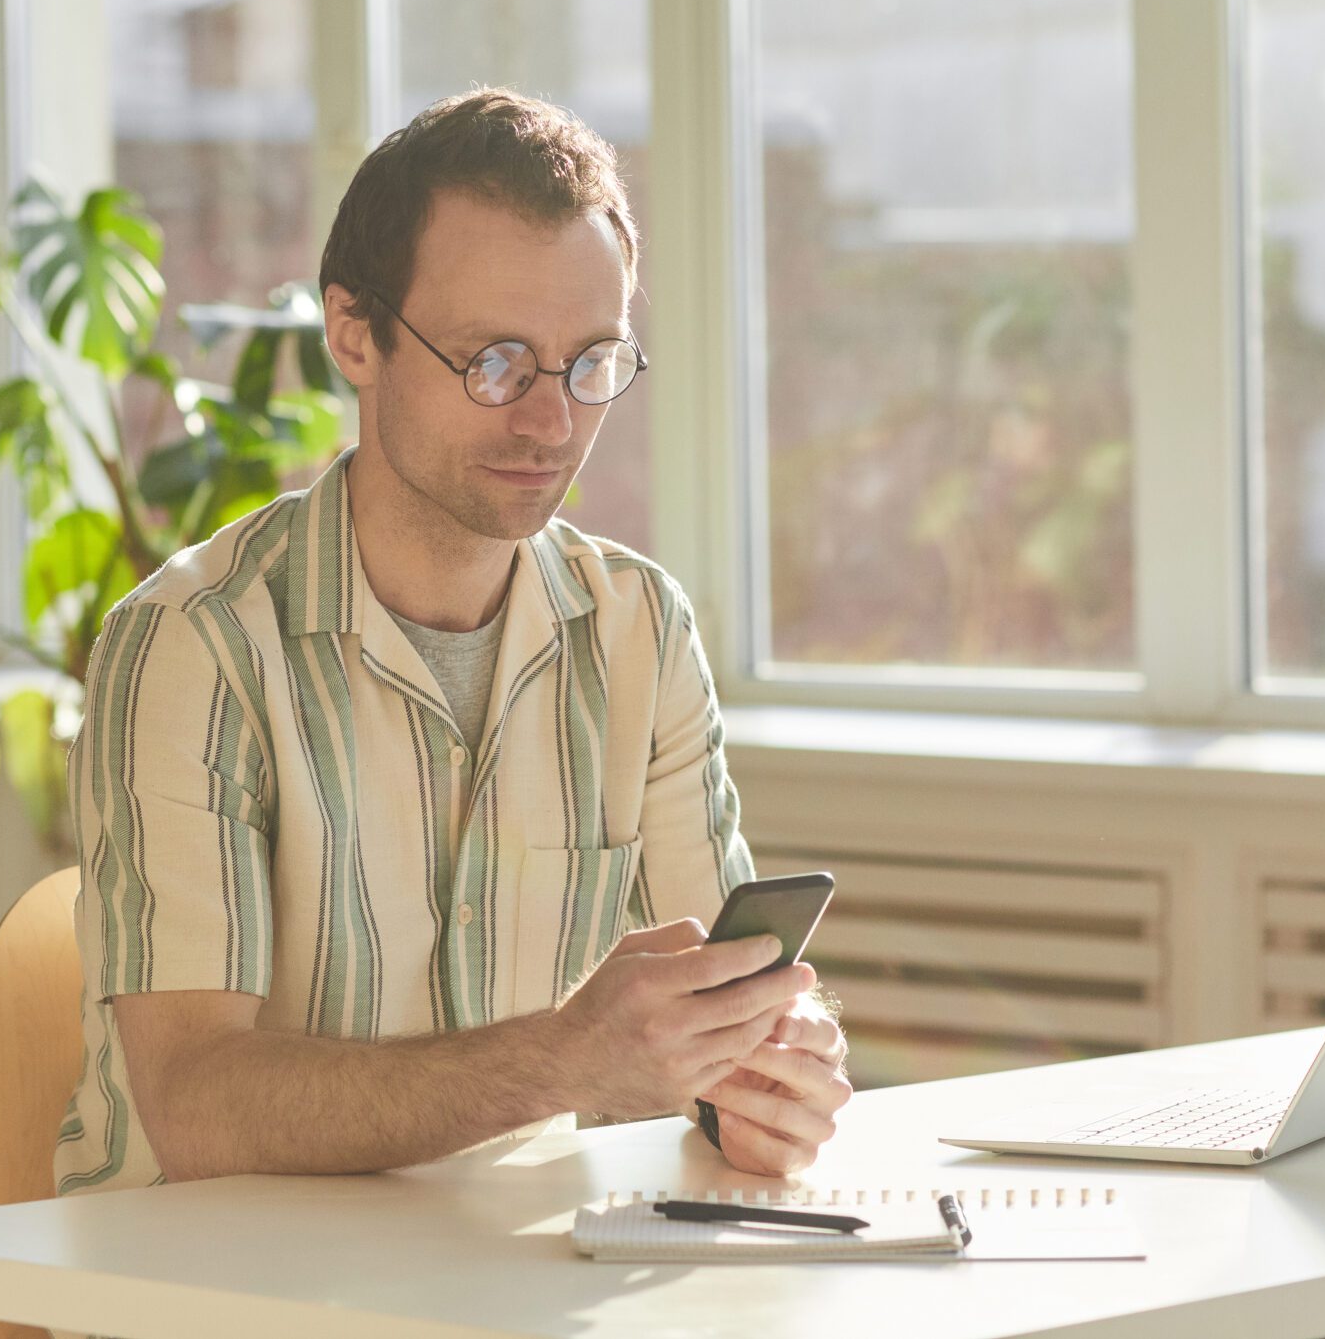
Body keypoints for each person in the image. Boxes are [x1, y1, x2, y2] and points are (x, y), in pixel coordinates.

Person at [51, 88, 851, 1203]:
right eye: (493, 363)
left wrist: (764, 1082)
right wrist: (566, 1059)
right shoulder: (192, 646)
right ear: (352, 335)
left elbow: (716, 1017)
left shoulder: (640, 632)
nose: (550, 421)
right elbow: (195, 1106)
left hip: (509, 1277)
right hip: (224, 1300)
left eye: (590, 364)